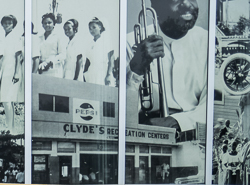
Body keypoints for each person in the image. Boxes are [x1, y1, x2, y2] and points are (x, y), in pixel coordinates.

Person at [127, 0, 208, 135]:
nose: (187, 4)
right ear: (156, 6)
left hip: (194, 134)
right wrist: (136, 68)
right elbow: (119, 110)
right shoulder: (129, 42)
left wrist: (177, 121)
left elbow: (212, 104)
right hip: (143, 132)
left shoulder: (208, 41)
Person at [0, 15, 23, 133]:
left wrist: (16, 73)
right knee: (5, 100)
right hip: (3, 71)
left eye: (9, 23)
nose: (7, 25)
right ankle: (9, 127)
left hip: (11, 71)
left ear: (13, 24)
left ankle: (11, 129)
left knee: (8, 99)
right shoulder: (2, 37)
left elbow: (18, 56)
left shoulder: (16, 37)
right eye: (5, 23)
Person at [84, 18, 115, 86]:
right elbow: (87, 61)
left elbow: (111, 59)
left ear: (100, 27)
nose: (91, 30)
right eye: (90, 28)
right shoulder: (90, 44)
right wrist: (84, 74)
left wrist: (109, 74)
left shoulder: (106, 40)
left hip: (103, 72)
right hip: (91, 72)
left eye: (94, 27)